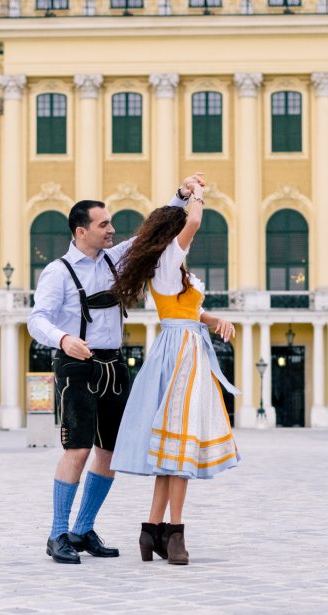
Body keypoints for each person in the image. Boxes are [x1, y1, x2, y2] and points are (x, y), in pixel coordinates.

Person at [28, 174, 207, 565]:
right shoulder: (57, 272)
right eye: (103, 224)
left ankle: (83, 529)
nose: (112, 229)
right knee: (76, 450)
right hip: (76, 366)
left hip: (113, 365)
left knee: (108, 453)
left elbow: (153, 233)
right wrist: (62, 339)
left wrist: (180, 196)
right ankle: (58, 533)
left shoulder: (115, 257)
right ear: (81, 231)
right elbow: (36, 319)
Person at [108, 180, 239, 566]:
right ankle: (175, 533)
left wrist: (213, 319)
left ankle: (152, 530)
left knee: (172, 450)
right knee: (180, 447)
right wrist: (197, 193)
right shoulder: (167, 262)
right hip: (181, 354)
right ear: (171, 234)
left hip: (184, 347)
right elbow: (195, 221)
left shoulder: (171, 267)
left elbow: (189, 311)